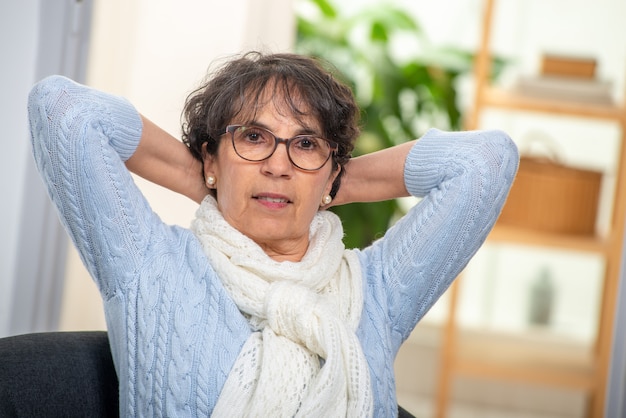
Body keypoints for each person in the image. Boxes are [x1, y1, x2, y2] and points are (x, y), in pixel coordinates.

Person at [28, 51, 518, 417]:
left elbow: (487, 161)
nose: (278, 165)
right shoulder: (153, 267)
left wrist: (325, 186)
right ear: (210, 155)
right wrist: (210, 179)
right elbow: (64, 111)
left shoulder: (376, 293)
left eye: (305, 144)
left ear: (332, 172)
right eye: (253, 137)